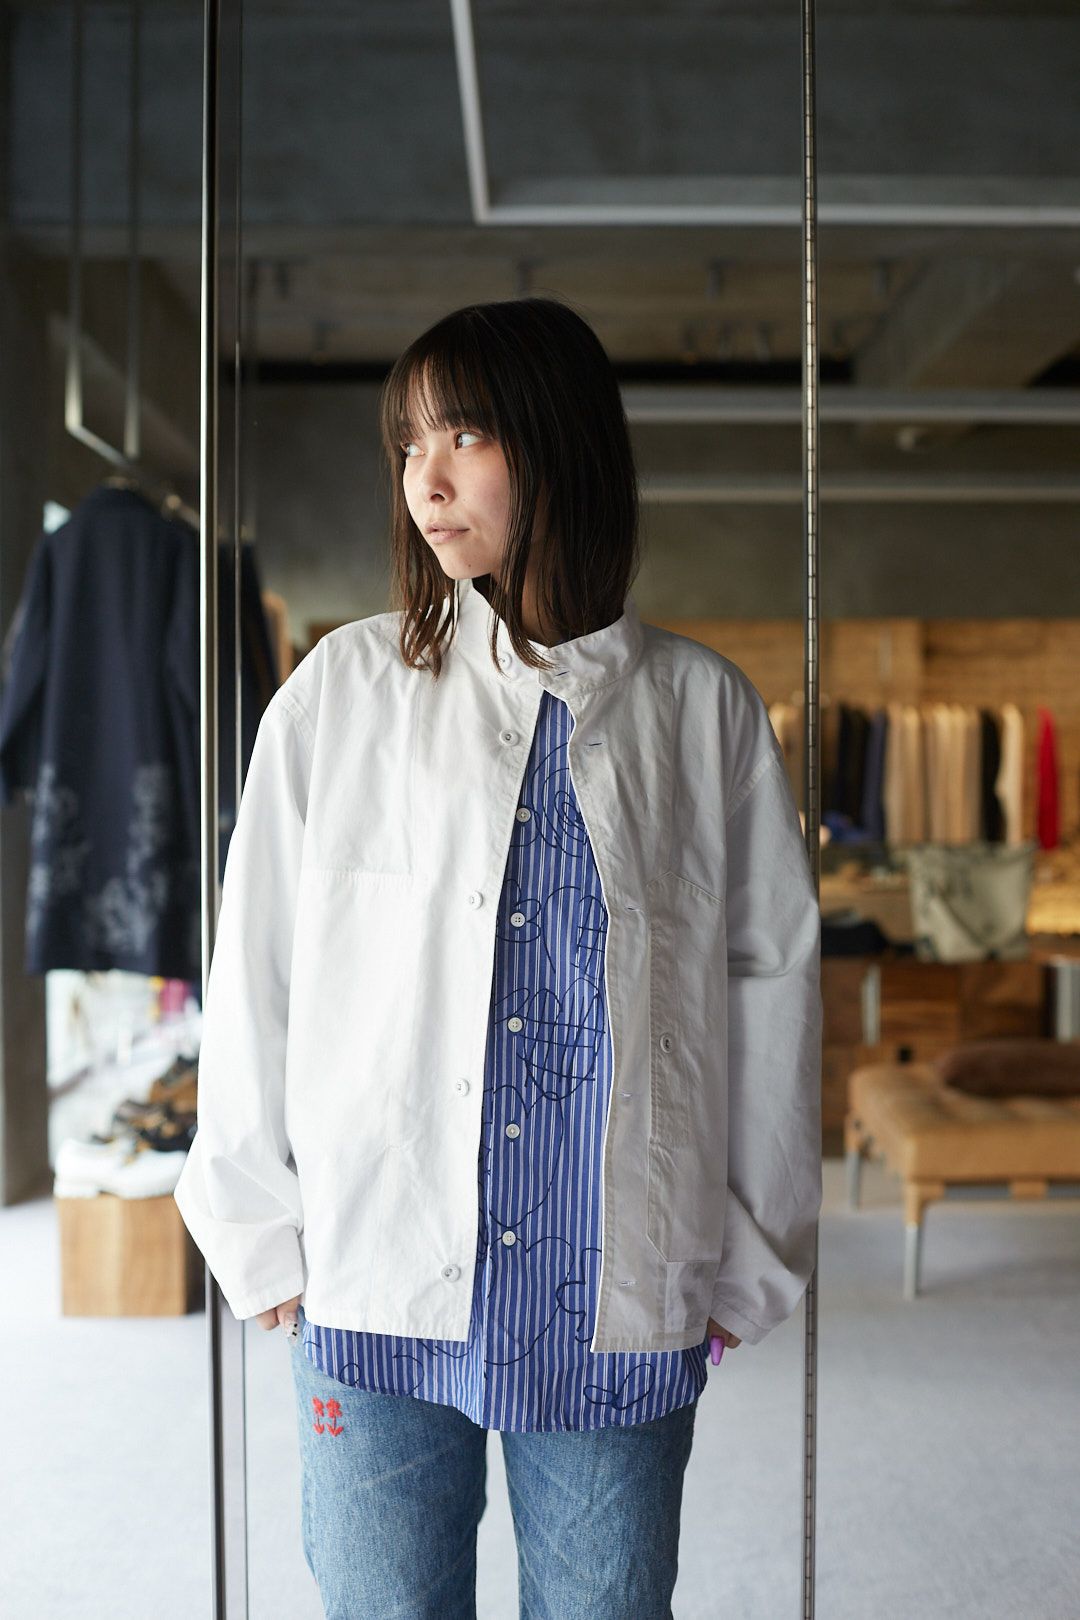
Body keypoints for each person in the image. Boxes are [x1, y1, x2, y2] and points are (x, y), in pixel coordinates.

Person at [173, 296, 822, 1618]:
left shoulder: (700, 711)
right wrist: (253, 1221)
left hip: (611, 1279)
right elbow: (258, 964)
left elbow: (770, 987)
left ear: (558, 440)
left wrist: (755, 1247)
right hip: (372, 1266)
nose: (426, 476)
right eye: (407, 442)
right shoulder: (339, 694)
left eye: (463, 434)